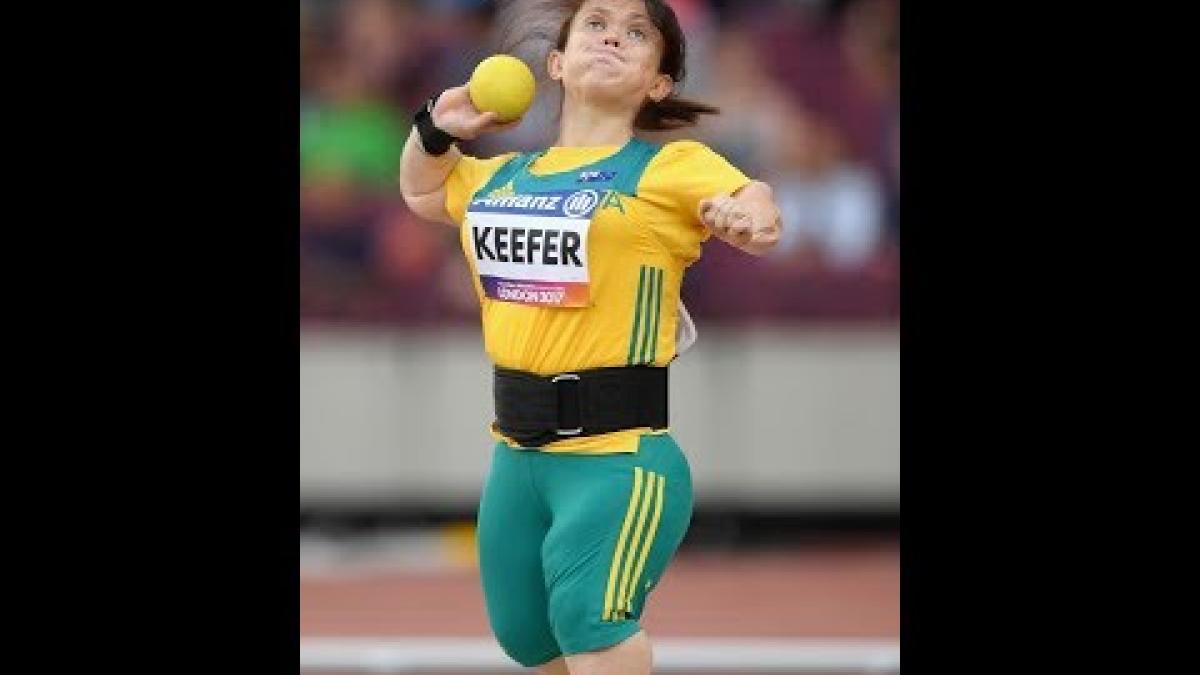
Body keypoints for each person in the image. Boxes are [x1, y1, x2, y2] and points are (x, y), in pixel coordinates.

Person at [398, 1, 782, 673]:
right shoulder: (503, 178)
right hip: (516, 460)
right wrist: (435, 128)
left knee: (591, 624)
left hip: (616, 460)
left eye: (636, 33)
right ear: (557, 62)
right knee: (529, 639)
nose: (612, 36)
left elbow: (757, 202)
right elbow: (425, 193)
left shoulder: (667, 169)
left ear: (657, 81)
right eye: (595, 25)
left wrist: (745, 218)